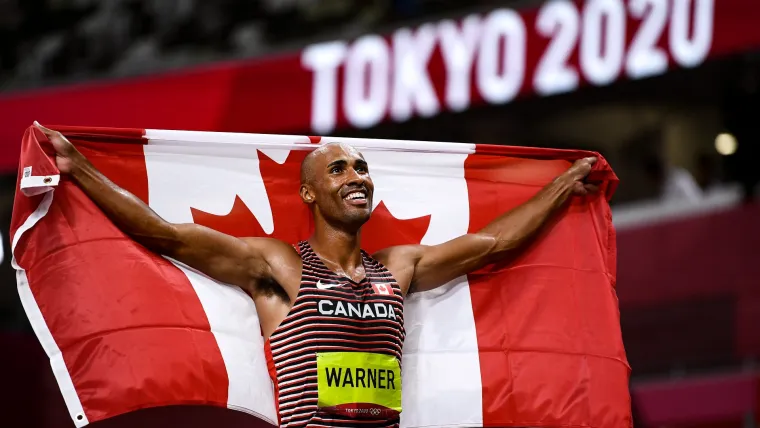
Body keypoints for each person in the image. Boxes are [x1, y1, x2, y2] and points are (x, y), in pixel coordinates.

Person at [34, 122, 598, 428]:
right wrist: (80, 169)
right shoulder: (277, 266)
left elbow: (494, 243)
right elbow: (168, 235)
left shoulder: (397, 267)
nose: (358, 176)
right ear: (309, 192)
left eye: (362, 167)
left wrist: (562, 185)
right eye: (339, 169)